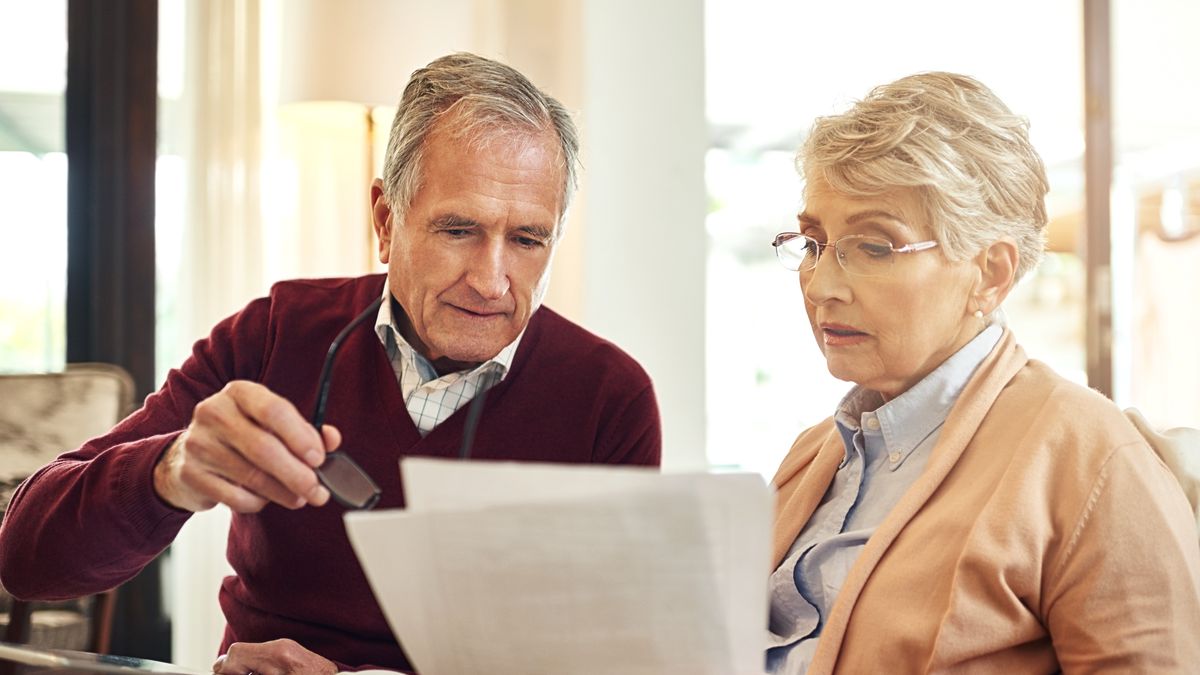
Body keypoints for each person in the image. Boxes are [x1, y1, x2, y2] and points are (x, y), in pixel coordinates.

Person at [0, 52, 661, 673]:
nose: (491, 281)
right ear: (384, 219)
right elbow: (25, 558)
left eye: (526, 240)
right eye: (458, 230)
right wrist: (168, 470)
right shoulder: (275, 333)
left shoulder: (610, 398)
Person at [765, 72, 1200, 673]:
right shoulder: (812, 455)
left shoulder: (1092, 459)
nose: (823, 286)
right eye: (814, 243)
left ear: (990, 274)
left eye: (873, 247)